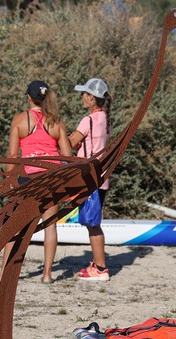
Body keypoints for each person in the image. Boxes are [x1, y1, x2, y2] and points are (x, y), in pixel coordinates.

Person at [0, 80, 73, 283]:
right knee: (50, 227)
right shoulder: (56, 122)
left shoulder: (20, 120)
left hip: (27, 179)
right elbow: (67, 155)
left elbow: (12, 155)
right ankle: (47, 275)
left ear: (28, 97)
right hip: (51, 179)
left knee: (15, 227)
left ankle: (5, 272)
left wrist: (8, 180)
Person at [69, 77, 113, 281]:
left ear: (92, 98)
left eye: (85, 94)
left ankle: (101, 268)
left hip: (89, 178)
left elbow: (72, 142)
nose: (82, 97)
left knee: (92, 223)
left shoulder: (88, 120)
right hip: (102, 177)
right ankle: (98, 264)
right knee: (93, 222)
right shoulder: (105, 120)